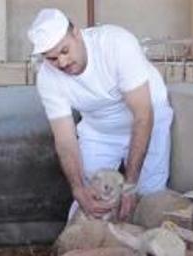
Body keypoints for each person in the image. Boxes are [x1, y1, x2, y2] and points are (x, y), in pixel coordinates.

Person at [27, 8, 173, 221]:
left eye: (65, 51)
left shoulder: (116, 44)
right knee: (89, 199)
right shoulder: (48, 79)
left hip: (149, 118)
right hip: (99, 130)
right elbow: (65, 140)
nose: (62, 62)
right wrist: (77, 189)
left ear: (77, 33)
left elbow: (143, 114)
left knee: (150, 197)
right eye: (52, 58)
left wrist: (130, 185)